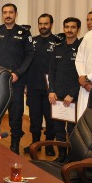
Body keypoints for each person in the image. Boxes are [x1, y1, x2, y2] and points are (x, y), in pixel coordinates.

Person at [0, 3, 34, 154]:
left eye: (10, 12)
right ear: (2, 15)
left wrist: (18, 73)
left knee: (16, 115)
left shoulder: (24, 33)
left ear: (16, 14)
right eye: (5, 12)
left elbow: (29, 55)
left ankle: (14, 145)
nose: (7, 15)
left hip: (16, 81)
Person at [24, 14, 62, 155]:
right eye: (40, 24)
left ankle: (49, 146)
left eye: (45, 23)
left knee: (50, 119)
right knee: (35, 118)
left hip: (50, 89)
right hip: (33, 86)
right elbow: (26, 63)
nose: (43, 26)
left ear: (51, 24)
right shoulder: (32, 42)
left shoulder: (58, 42)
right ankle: (35, 144)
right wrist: (26, 84)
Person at [48, 17, 82, 163]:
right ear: (63, 28)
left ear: (78, 29)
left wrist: (72, 94)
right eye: (67, 27)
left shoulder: (81, 48)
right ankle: (62, 155)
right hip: (57, 96)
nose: (69, 30)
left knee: (72, 130)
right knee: (58, 128)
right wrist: (51, 90)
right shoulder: (58, 47)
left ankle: (71, 157)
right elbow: (52, 71)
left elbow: (82, 75)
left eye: (73, 27)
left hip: (73, 97)